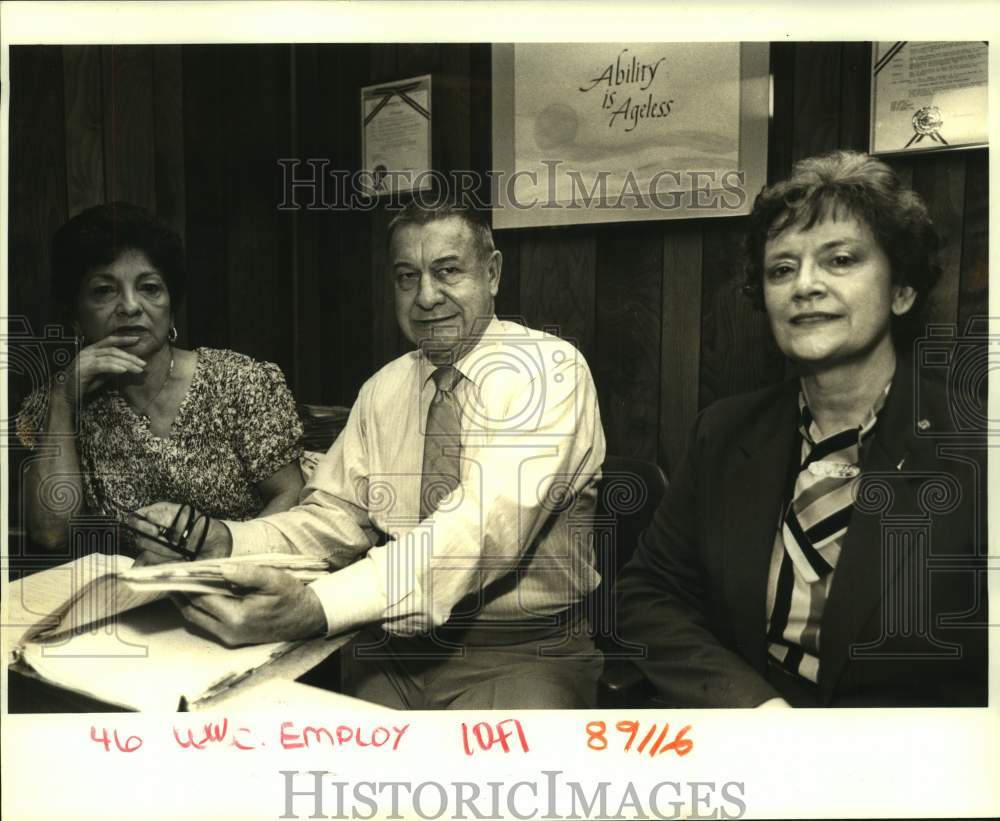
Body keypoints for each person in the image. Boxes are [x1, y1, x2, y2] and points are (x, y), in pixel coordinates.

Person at [130, 201, 607, 710]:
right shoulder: (385, 388)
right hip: (392, 651)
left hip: (524, 654)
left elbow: (479, 527)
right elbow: (331, 520)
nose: (426, 297)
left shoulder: (551, 371)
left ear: (491, 273)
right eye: (407, 277)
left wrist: (318, 607)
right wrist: (224, 541)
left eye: (447, 271)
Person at [615, 151, 987, 708]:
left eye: (840, 260)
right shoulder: (724, 431)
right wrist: (756, 711)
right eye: (782, 269)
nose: (804, 286)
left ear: (902, 290)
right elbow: (648, 594)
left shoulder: (976, 450)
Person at [17, 202, 305, 551]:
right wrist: (63, 401)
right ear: (75, 316)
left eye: (149, 287)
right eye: (104, 291)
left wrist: (225, 564)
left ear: (170, 306)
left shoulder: (240, 383)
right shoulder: (57, 404)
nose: (130, 306)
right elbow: (51, 533)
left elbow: (291, 494)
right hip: (138, 592)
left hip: (245, 581)